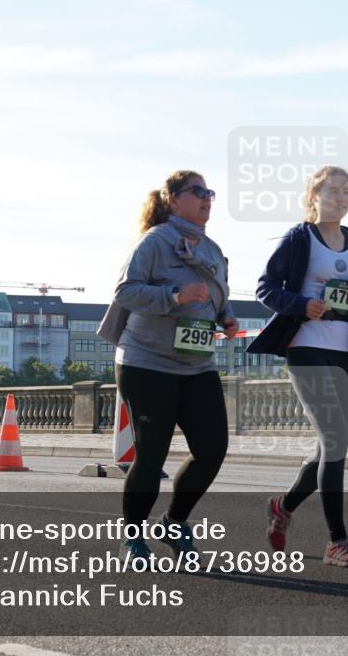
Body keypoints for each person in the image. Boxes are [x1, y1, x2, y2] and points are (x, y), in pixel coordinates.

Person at [98, 170, 238, 561]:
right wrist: (174, 295)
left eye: (210, 192)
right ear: (173, 199)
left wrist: (226, 316)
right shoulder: (154, 242)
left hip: (197, 364)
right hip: (147, 363)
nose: (207, 198)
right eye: (198, 191)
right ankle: (133, 538)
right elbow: (125, 291)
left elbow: (217, 294)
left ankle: (173, 522)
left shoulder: (212, 249)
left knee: (212, 449)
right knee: (151, 455)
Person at [247, 165, 348, 568]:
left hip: (346, 350)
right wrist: (302, 305)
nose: (341, 198)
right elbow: (265, 288)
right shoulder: (299, 238)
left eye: (347, 191)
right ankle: (337, 541)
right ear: (313, 197)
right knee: (334, 439)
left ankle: (283, 506)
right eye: (333, 191)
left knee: (331, 444)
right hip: (306, 345)